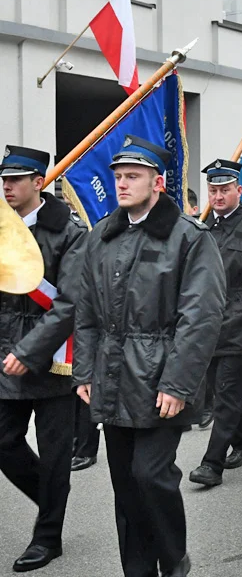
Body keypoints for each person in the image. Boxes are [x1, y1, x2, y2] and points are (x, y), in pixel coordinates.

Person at [73, 135, 226, 577]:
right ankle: (137, 568)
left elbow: (200, 318)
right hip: (113, 377)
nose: (122, 184)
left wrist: (178, 384)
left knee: (150, 476)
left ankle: (174, 556)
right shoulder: (101, 235)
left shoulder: (188, 238)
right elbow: (86, 312)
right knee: (125, 486)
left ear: (157, 182)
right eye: (118, 176)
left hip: (161, 380)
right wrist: (85, 370)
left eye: (133, 176)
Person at [0, 146, 87, 572]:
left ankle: (47, 536)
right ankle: (52, 500)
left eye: (16, 179)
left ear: (39, 182)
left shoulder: (69, 234)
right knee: (3, 442)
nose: (7, 186)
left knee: (55, 453)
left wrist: (28, 350)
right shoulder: (2, 229)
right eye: (3, 180)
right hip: (5, 354)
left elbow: (69, 304)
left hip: (53, 359)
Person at [187, 159, 242, 488]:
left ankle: (211, 465)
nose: (218, 195)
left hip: (241, 322)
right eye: (213, 190)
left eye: (225, 189)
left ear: (239, 190)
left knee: (225, 393)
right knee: (216, 392)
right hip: (206, 323)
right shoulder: (201, 227)